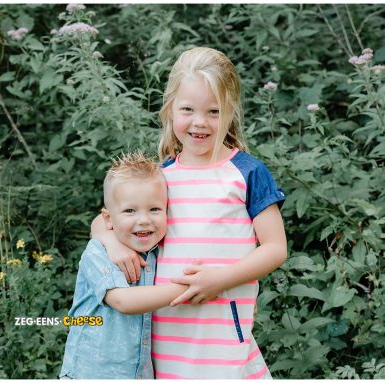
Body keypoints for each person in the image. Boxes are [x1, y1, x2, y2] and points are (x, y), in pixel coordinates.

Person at [91, 47, 287, 379]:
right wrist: (111, 243)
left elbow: (275, 248)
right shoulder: (160, 178)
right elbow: (106, 217)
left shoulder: (247, 172)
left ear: (230, 112)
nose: (200, 122)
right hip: (167, 335)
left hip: (224, 333)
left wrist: (220, 279)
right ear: (169, 110)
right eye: (187, 109)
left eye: (214, 111)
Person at [60, 152, 192, 379]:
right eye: (130, 211)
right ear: (108, 219)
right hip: (92, 372)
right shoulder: (98, 252)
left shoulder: (160, 251)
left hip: (139, 372)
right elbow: (123, 300)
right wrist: (193, 287)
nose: (143, 219)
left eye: (155, 209)